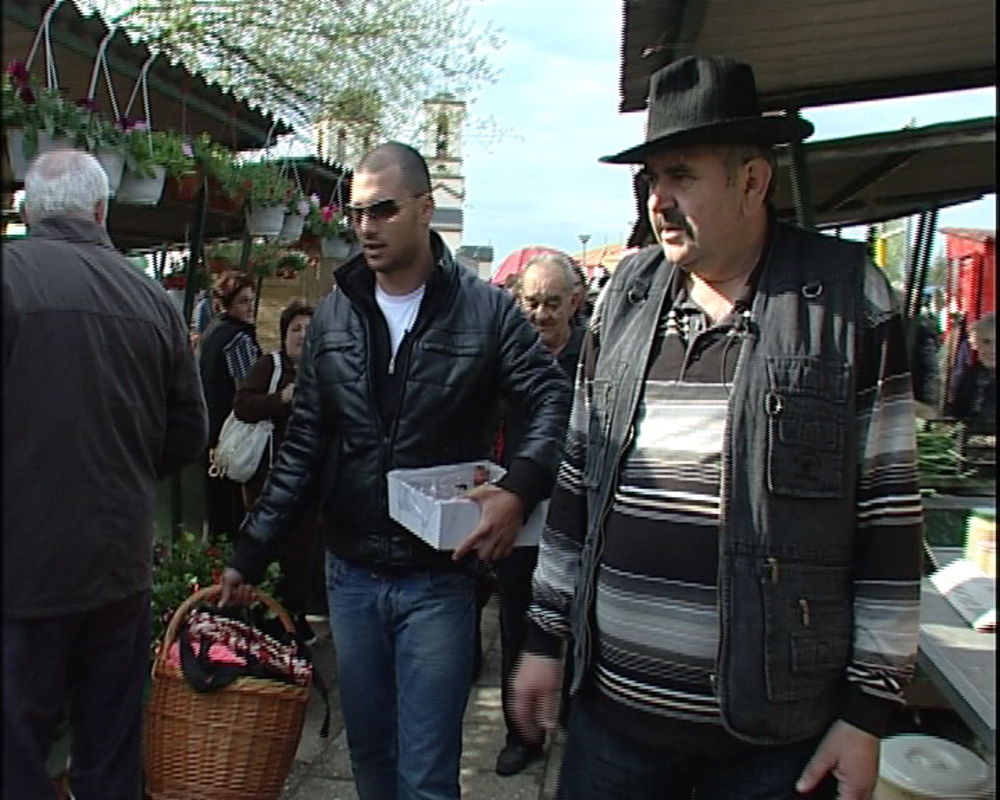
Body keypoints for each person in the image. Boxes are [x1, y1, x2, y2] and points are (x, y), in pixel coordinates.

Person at [512, 55, 923, 800]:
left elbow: (890, 518)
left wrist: (867, 713)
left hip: (774, 739)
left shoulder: (845, 298)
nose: (660, 201)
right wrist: (544, 640)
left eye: (681, 176)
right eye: (651, 181)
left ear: (753, 180)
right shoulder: (625, 298)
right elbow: (577, 481)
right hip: (614, 723)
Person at [220, 141, 571, 800]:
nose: (366, 227)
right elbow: (303, 449)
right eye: (356, 213)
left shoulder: (485, 311)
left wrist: (519, 490)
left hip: (438, 581)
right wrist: (249, 551)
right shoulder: (335, 314)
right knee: (371, 765)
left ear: (424, 209)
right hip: (349, 576)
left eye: (382, 210)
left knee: (428, 775)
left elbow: (553, 398)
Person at [2, 149, 207, 799]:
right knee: (110, 752)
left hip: (18, 571)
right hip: (117, 567)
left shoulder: (7, 278)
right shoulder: (152, 300)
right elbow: (187, 434)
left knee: (13, 753)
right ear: (101, 211)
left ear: (27, 211)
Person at [492, 251, 583, 776]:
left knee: (579, 628)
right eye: (532, 302)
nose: (541, 314)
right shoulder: (508, 358)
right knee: (517, 624)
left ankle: (570, 719)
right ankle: (520, 732)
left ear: (575, 301)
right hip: (521, 516)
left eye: (552, 303)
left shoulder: (596, 357)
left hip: (581, 516)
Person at [233, 300, 324, 642]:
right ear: (284, 334)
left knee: (302, 551)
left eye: (309, 329)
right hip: (267, 478)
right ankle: (265, 618)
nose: (302, 335)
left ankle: (293, 617)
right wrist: (280, 400)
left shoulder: (325, 371)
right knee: (272, 547)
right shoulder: (268, 366)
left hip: (309, 480)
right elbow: (242, 405)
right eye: (296, 329)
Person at [198, 270, 261, 540]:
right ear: (227, 305)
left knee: (217, 509)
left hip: (211, 430)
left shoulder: (212, 332)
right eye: (243, 302)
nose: (249, 308)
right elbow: (247, 390)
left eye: (251, 300)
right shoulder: (238, 339)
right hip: (232, 436)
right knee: (233, 512)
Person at [945, 312, 995, 433]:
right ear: (974, 344)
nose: (992, 349)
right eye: (986, 342)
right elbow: (957, 414)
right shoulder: (971, 375)